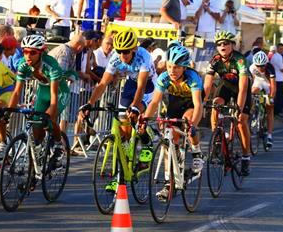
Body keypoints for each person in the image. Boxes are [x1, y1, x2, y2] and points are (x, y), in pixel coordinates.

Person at [79, 30, 157, 191]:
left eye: (126, 52)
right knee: (123, 128)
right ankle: (121, 173)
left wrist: (135, 107)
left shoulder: (144, 57)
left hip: (148, 86)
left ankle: (146, 140)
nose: (123, 55)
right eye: (120, 51)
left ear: (134, 49)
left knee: (134, 114)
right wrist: (89, 103)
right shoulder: (115, 57)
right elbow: (102, 84)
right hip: (130, 84)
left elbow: (142, 87)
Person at [143, 45, 204, 199]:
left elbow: (198, 105)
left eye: (176, 67)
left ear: (184, 68)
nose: (172, 70)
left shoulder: (192, 77)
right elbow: (155, 102)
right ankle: (170, 180)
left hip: (191, 102)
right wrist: (144, 119)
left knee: (188, 121)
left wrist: (193, 127)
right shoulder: (164, 77)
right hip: (175, 102)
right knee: (168, 136)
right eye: (170, 66)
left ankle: (197, 152)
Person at [8, 35, 70, 169]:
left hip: (59, 92)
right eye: (25, 51)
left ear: (41, 52)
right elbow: (17, 92)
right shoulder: (22, 64)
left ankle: (59, 145)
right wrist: (8, 112)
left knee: (49, 120)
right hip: (43, 92)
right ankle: (35, 169)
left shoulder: (51, 65)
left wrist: (49, 115)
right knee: (36, 133)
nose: (28, 56)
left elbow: (54, 96)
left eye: (32, 52)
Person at [203, 31, 252, 176]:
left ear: (232, 45)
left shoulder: (240, 60)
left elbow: (243, 88)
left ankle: (245, 157)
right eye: (219, 44)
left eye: (225, 43)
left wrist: (239, 107)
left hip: (241, 89)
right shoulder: (215, 60)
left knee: (241, 121)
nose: (222, 46)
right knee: (215, 104)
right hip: (225, 86)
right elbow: (207, 85)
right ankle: (217, 138)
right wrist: (201, 101)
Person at [48, 33, 86, 133]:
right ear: (79, 46)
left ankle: (58, 138)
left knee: (61, 114)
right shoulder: (64, 52)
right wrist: (70, 76)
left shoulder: (69, 52)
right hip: (51, 88)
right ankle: (57, 138)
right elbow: (60, 74)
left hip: (55, 88)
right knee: (55, 115)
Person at [250, 51, 276, 148]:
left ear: (266, 64)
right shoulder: (252, 68)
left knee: (270, 107)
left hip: (268, 84)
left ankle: (269, 135)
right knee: (252, 92)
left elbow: (273, 86)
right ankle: (254, 112)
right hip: (258, 82)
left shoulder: (270, 68)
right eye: (258, 66)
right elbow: (251, 82)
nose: (260, 68)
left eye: (262, 66)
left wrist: (271, 98)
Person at [270, 43, 283, 117]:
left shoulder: (273, 56)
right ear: (277, 49)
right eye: (280, 49)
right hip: (278, 79)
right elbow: (282, 69)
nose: (282, 50)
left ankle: (275, 111)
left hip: (275, 78)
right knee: (280, 96)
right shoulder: (278, 56)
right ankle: (277, 111)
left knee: (276, 95)